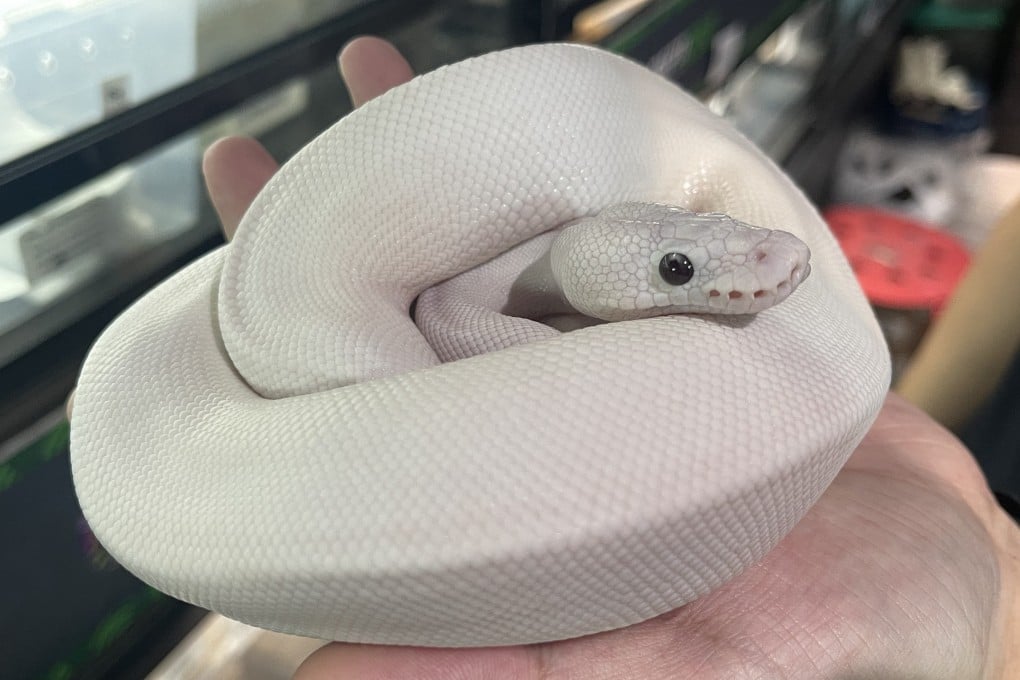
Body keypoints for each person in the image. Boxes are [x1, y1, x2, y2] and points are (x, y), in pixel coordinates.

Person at [72, 36, 1020, 679]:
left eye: (692, 243)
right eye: (681, 268)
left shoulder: (518, 289)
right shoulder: (351, 326)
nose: (771, 262)